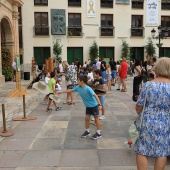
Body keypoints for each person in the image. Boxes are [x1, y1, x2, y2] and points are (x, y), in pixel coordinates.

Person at [134, 57, 170, 170]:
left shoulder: (148, 85)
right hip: (166, 122)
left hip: (147, 121)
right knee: (162, 151)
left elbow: (138, 106)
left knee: (142, 150)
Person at [58, 75, 102, 140]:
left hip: (94, 106)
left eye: (78, 80)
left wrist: (99, 104)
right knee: (87, 118)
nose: (77, 81)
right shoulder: (78, 87)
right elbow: (70, 90)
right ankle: (87, 131)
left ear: (81, 81)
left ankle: (98, 133)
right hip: (88, 106)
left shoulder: (88, 88)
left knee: (96, 119)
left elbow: (96, 96)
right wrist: (60, 92)